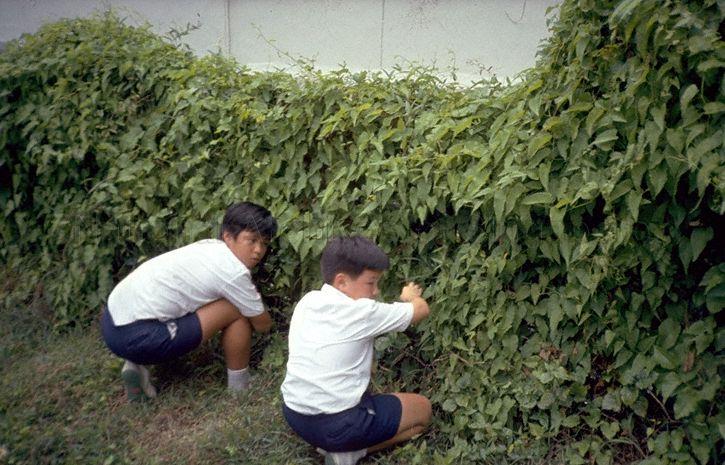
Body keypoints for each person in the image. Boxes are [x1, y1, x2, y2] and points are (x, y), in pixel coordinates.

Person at [100, 201, 277, 401]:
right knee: (236, 309)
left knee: (210, 301)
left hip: (111, 321)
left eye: (264, 243)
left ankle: (135, 366)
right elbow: (263, 325)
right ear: (228, 236)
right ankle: (240, 389)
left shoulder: (209, 247)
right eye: (252, 240)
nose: (258, 251)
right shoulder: (233, 272)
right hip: (136, 336)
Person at [280, 236, 432, 465]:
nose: (375, 291)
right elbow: (420, 310)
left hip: (294, 414)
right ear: (341, 282)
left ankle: (337, 444)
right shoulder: (362, 313)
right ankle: (350, 453)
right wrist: (409, 297)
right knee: (422, 411)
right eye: (371, 283)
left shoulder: (308, 301)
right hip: (338, 424)